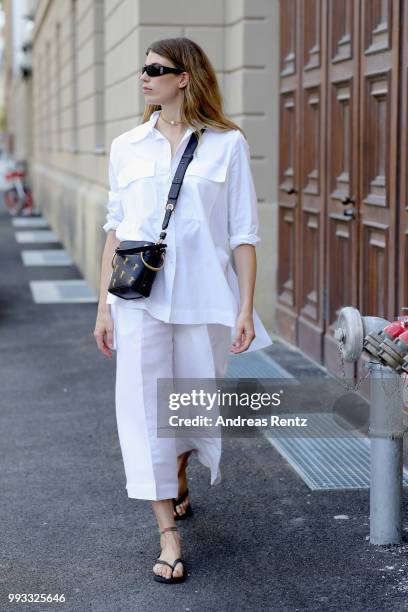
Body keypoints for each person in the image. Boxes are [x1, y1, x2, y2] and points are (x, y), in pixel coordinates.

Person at [94, 37, 273, 584]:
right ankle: (167, 530)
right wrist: (103, 307)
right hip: (138, 301)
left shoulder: (227, 145)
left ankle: (177, 470)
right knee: (144, 408)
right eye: (143, 69)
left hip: (203, 299)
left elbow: (243, 234)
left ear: (185, 78)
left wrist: (245, 307)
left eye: (155, 69)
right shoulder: (127, 145)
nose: (144, 77)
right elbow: (116, 231)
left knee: (192, 403)